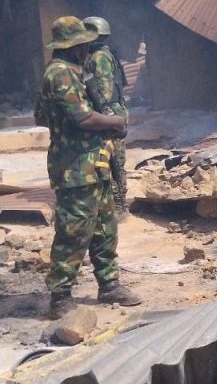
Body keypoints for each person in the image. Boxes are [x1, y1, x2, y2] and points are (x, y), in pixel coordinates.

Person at [34, 17, 140, 318]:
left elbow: (42, 115)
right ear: (73, 47)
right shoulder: (60, 74)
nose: (86, 49)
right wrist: (115, 121)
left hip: (95, 163)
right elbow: (82, 118)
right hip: (74, 167)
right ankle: (61, 296)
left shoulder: (71, 72)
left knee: (105, 227)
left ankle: (109, 285)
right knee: (74, 231)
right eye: (83, 44)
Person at [82, 16, 129, 217]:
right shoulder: (105, 53)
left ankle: (118, 207)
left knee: (111, 161)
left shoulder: (99, 57)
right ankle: (118, 204)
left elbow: (104, 90)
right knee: (113, 159)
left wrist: (107, 118)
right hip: (113, 111)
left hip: (108, 111)